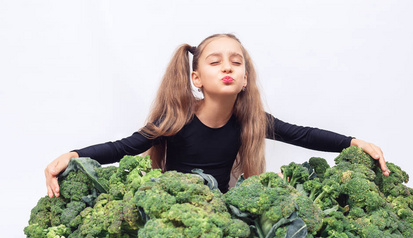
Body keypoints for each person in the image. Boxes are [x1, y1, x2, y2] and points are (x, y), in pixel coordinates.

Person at [45, 33, 390, 197]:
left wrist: (354, 143)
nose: (227, 66)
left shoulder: (250, 120)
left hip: (223, 209)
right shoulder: (175, 118)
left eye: (236, 62)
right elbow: (123, 147)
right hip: (173, 205)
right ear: (196, 78)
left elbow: (302, 135)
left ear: (243, 80)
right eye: (215, 61)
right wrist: (74, 155)